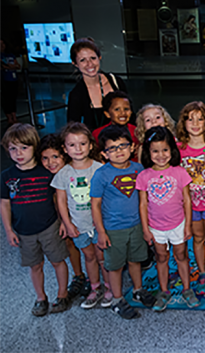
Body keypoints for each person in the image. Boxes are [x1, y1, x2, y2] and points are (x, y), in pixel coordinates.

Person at [0, 124, 70, 316]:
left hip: (50, 227)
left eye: (24, 147)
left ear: (34, 147)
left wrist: (64, 222)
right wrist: (8, 230)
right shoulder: (6, 177)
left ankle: (62, 294)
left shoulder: (46, 173)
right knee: (35, 265)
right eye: (13, 148)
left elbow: (57, 199)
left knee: (58, 261)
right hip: (24, 231)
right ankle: (41, 298)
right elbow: (5, 204)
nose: (18, 153)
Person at [91, 125, 156, 319]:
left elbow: (145, 199)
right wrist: (101, 232)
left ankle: (138, 290)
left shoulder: (139, 169)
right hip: (113, 229)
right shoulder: (101, 175)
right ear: (104, 153)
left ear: (133, 148)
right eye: (113, 148)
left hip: (136, 225)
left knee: (136, 260)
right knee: (115, 266)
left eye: (123, 146)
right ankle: (117, 299)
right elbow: (95, 206)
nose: (119, 151)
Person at [137, 126, 201, 312]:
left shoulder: (180, 173)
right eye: (155, 151)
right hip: (156, 227)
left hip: (178, 224)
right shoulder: (143, 176)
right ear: (148, 153)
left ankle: (187, 289)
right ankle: (164, 291)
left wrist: (188, 225)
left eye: (165, 150)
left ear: (172, 150)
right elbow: (142, 204)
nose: (161, 155)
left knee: (181, 256)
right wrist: (145, 229)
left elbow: (187, 200)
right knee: (161, 257)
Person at [52, 123, 109, 309]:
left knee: (102, 257)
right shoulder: (63, 174)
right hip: (79, 225)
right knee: (89, 257)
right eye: (72, 145)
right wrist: (67, 224)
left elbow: (107, 198)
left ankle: (109, 287)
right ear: (65, 148)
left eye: (82, 144)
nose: (78, 149)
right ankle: (95, 288)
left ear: (91, 145)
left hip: (99, 225)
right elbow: (61, 201)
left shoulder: (100, 168)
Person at [176, 102, 205, 297]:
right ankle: (202, 272)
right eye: (190, 119)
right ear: (183, 122)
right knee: (198, 238)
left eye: (200, 119)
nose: (195, 123)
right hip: (191, 205)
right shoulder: (179, 148)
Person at [39, 134, 90, 300]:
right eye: (45, 158)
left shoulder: (71, 172)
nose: (51, 162)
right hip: (60, 218)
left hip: (79, 216)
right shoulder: (47, 175)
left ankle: (92, 278)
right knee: (69, 243)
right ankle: (78, 275)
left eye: (55, 157)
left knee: (88, 248)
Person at [67, 38, 127, 131]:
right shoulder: (76, 94)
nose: (89, 64)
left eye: (93, 58)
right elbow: (73, 129)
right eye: (83, 60)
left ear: (99, 57)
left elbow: (130, 114)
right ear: (75, 64)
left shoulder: (116, 81)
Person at [0, 38, 20, 125]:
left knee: (13, 98)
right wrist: (9, 67)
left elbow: (17, 66)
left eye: (3, 44)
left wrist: (11, 67)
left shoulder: (10, 55)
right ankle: (9, 118)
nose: (1, 46)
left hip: (13, 79)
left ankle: (14, 116)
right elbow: (3, 67)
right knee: (6, 99)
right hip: (4, 80)